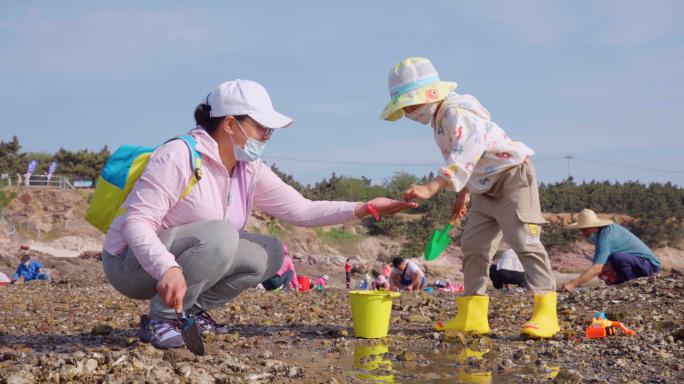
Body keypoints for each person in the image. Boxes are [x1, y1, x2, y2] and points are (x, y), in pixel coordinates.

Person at [101, 79, 418, 350]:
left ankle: (192, 310)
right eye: (262, 127)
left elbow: (301, 209)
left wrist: (365, 207)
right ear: (229, 124)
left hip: (178, 264)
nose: (267, 136)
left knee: (271, 252)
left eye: (270, 129)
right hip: (130, 262)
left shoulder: (248, 168)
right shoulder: (180, 156)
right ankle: (161, 320)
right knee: (224, 235)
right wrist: (166, 266)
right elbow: (136, 223)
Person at [380, 57, 559, 338]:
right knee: (473, 244)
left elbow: (466, 154)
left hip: (513, 180)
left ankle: (546, 314)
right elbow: (468, 161)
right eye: (404, 108)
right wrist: (463, 194)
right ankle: (472, 315)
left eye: (409, 106)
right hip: (484, 190)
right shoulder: (440, 122)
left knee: (526, 241)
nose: (408, 113)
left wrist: (431, 187)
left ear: (430, 95)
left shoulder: (457, 113)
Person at [562, 209, 660, 292]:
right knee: (606, 263)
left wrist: (572, 284)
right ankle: (621, 284)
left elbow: (596, 268)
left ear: (595, 226)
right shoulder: (607, 229)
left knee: (615, 258)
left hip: (650, 267)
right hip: (641, 264)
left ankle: (630, 285)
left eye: (585, 230)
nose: (583, 233)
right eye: (581, 230)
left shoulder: (605, 239)